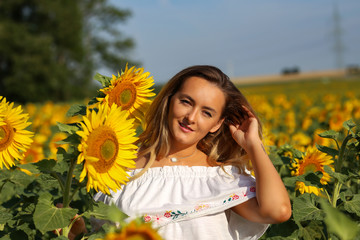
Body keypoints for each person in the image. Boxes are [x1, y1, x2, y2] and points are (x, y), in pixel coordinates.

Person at [94, 65, 292, 239]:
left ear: (217, 124)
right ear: (170, 100)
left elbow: (277, 211)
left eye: (207, 113)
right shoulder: (118, 163)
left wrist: (253, 144)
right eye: (186, 102)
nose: (191, 117)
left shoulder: (220, 176)